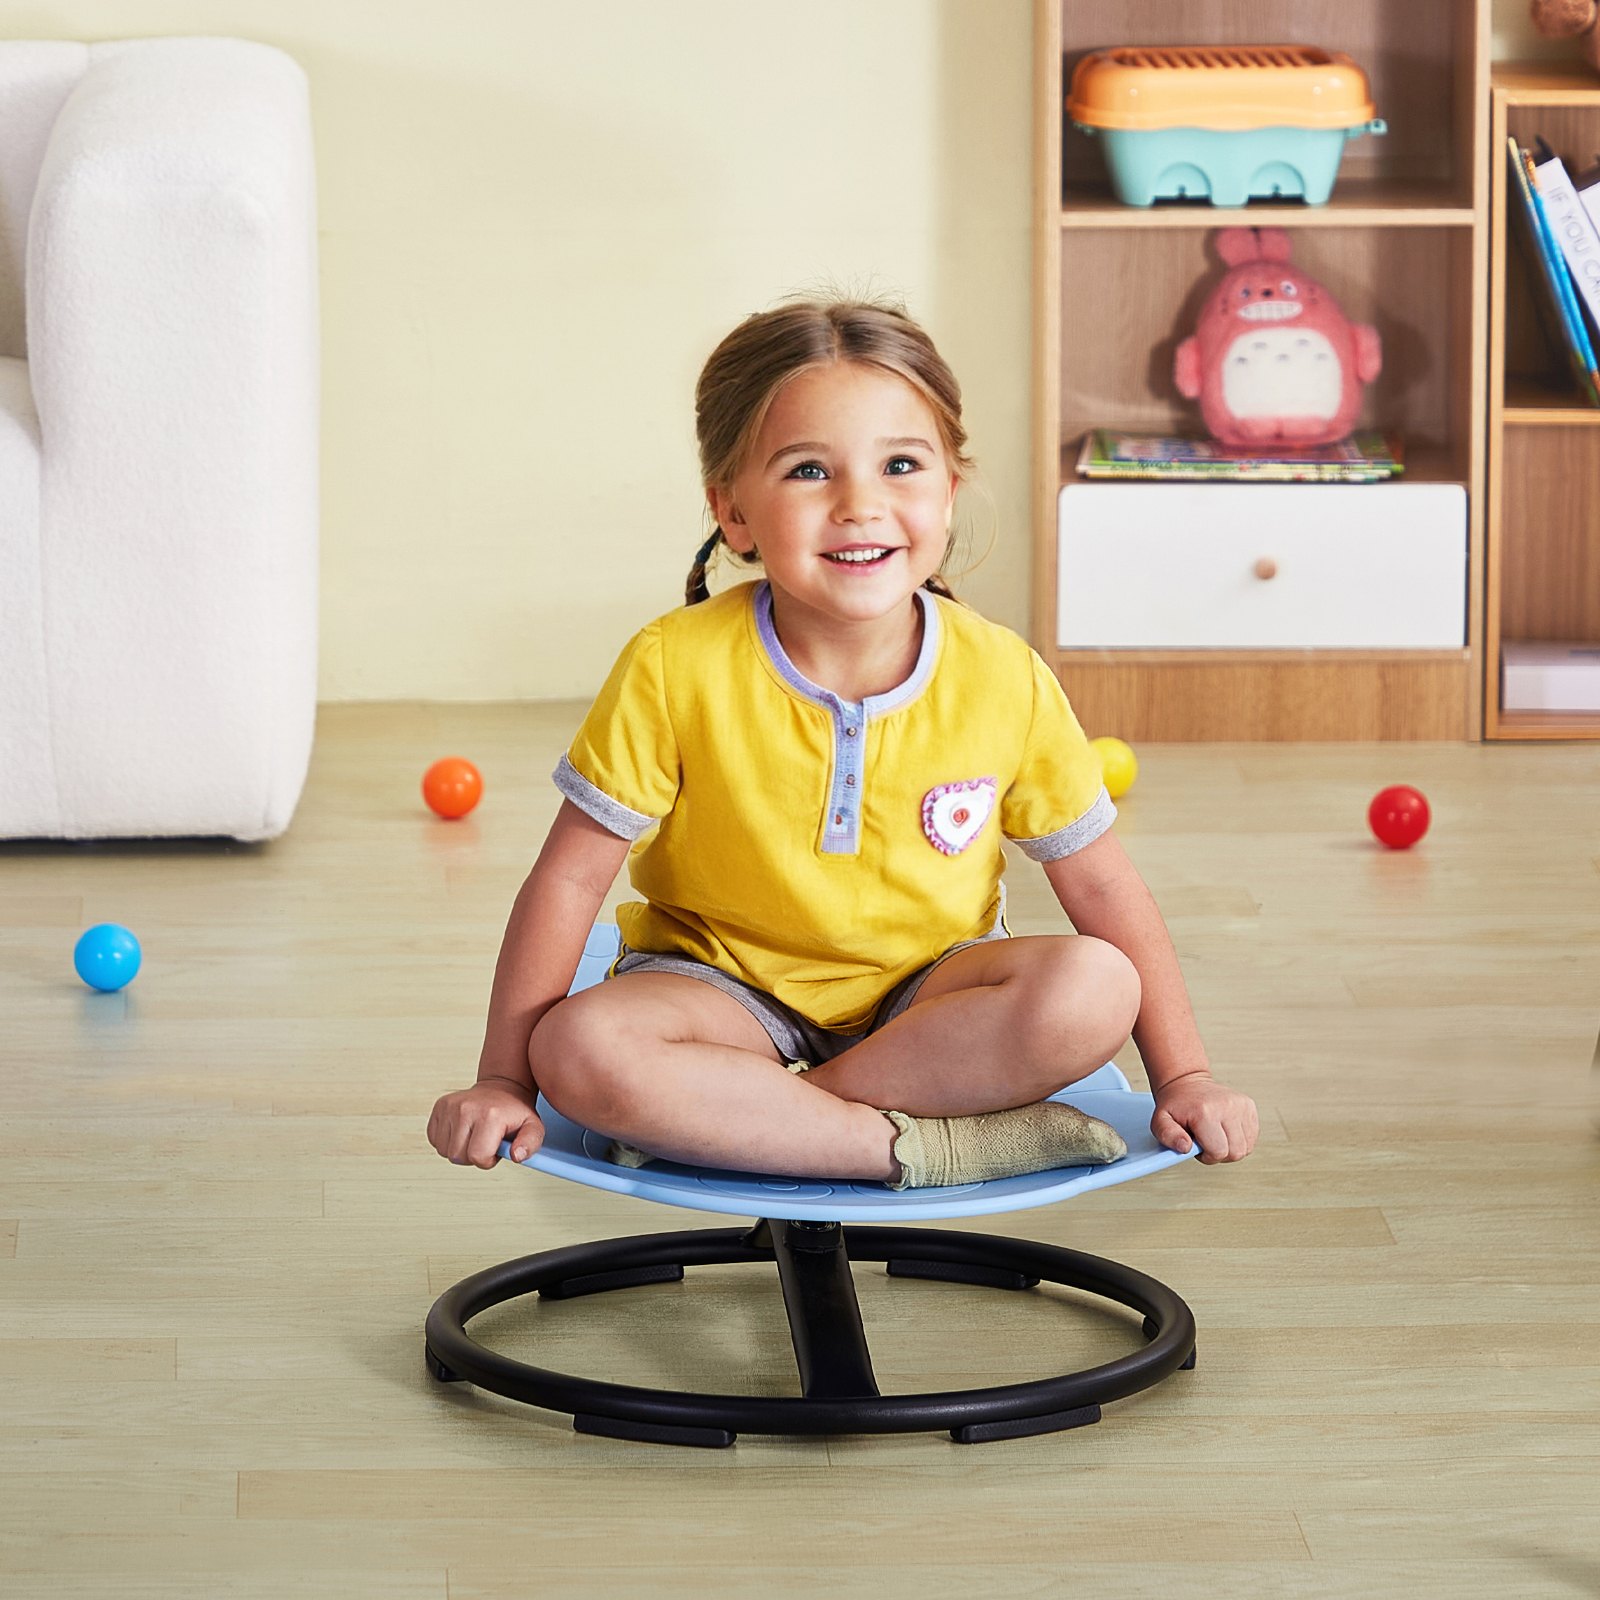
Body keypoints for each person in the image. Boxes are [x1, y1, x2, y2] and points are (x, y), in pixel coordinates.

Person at [427, 297, 1258, 1188]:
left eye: (901, 464)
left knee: (1098, 985)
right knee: (579, 1047)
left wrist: (1186, 1075)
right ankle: (921, 1149)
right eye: (809, 471)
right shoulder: (673, 664)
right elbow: (569, 877)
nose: (861, 505)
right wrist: (505, 1079)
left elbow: (1100, 883)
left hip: (931, 997)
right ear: (734, 512)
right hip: (716, 991)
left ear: (948, 490)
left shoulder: (1003, 675)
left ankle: (748, 1119)